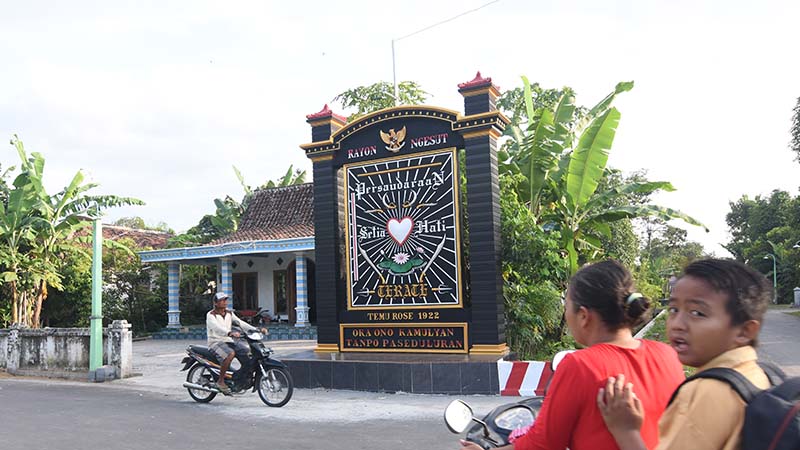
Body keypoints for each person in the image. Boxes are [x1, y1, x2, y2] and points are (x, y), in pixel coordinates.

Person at [459, 260, 685, 450]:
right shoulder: (667, 355)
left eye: (567, 306)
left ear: (584, 316)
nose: (566, 315)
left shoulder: (580, 365)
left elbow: (543, 445)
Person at [597, 259, 772, 450]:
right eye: (674, 310)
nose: (676, 324)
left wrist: (627, 432)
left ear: (744, 331)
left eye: (697, 313)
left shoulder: (708, 391)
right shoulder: (756, 374)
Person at [206, 291, 268, 395]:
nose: (225, 302)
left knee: (246, 351)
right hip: (216, 342)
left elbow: (241, 323)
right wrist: (229, 332)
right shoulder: (211, 315)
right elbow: (216, 328)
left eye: (226, 300)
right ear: (216, 303)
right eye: (222, 300)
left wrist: (257, 329)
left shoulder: (229, 313)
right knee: (230, 354)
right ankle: (220, 381)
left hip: (228, 341)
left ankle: (240, 379)